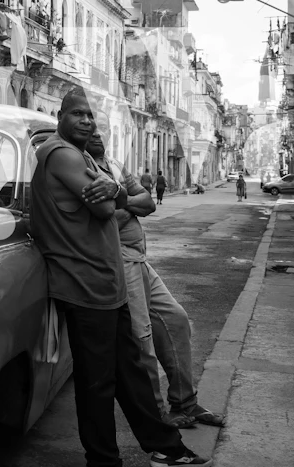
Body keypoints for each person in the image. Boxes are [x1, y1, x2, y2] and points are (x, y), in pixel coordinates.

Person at [28, 89, 212, 467]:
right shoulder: (61, 154)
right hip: (83, 285)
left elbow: (118, 199)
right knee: (97, 383)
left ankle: (165, 449)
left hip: (106, 286)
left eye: (90, 115)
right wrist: (112, 194)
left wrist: (114, 191)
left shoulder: (87, 158)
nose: (87, 121)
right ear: (59, 117)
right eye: (77, 114)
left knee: (130, 373)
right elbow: (103, 209)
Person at [87, 114, 225, 432]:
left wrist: (122, 197)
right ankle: (157, 413)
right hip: (118, 262)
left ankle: (185, 401)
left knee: (175, 321)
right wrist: (126, 203)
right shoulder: (81, 167)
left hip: (139, 260)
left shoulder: (113, 165)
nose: (98, 134)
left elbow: (148, 203)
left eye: (102, 129)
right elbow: (104, 215)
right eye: (91, 129)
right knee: (142, 339)